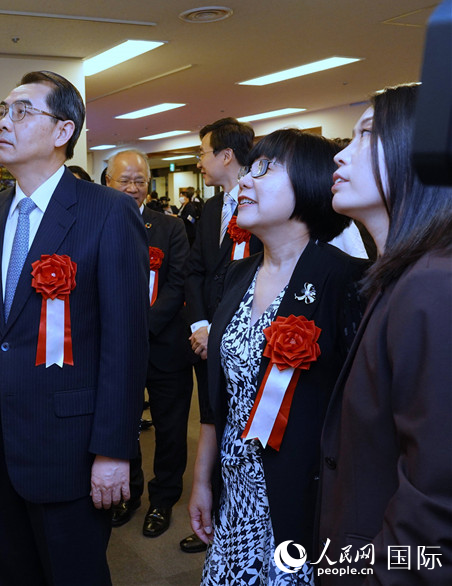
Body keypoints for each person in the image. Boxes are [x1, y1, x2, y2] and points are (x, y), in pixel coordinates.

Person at [0, 71, 149, 585]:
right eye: (1, 111)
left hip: (70, 445)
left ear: (63, 131)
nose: (4, 123)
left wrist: (114, 449)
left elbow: (125, 344)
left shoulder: (108, 212)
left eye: (22, 112)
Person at [187, 129, 369, 585]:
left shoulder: (345, 281)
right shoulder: (237, 274)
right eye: (248, 169)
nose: (245, 180)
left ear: (309, 184)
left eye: (266, 169)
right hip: (236, 494)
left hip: (301, 501)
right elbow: (219, 395)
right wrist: (203, 481)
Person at [320, 83, 452, 583]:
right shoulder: (399, 277)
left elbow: (436, 507)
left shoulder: (432, 284)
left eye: (367, 134)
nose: (341, 153)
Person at [181, 117, 262, 554]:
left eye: (203, 153)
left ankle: (242, 523)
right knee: (212, 421)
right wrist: (200, 326)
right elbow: (195, 270)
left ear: (226, 155)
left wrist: (223, 332)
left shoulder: (263, 200)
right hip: (205, 340)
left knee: (245, 428)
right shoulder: (212, 208)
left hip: (246, 342)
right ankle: (210, 518)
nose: (200, 161)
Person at [105, 150, 194, 540]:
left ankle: (163, 498)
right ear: (107, 183)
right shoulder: (96, 223)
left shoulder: (170, 227)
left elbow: (178, 284)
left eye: (139, 180)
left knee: (171, 429)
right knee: (122, 424)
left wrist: (141, 328)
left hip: (165, 346)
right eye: (124, 180)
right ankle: (128, 493)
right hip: (114, 349)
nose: (132, 188)